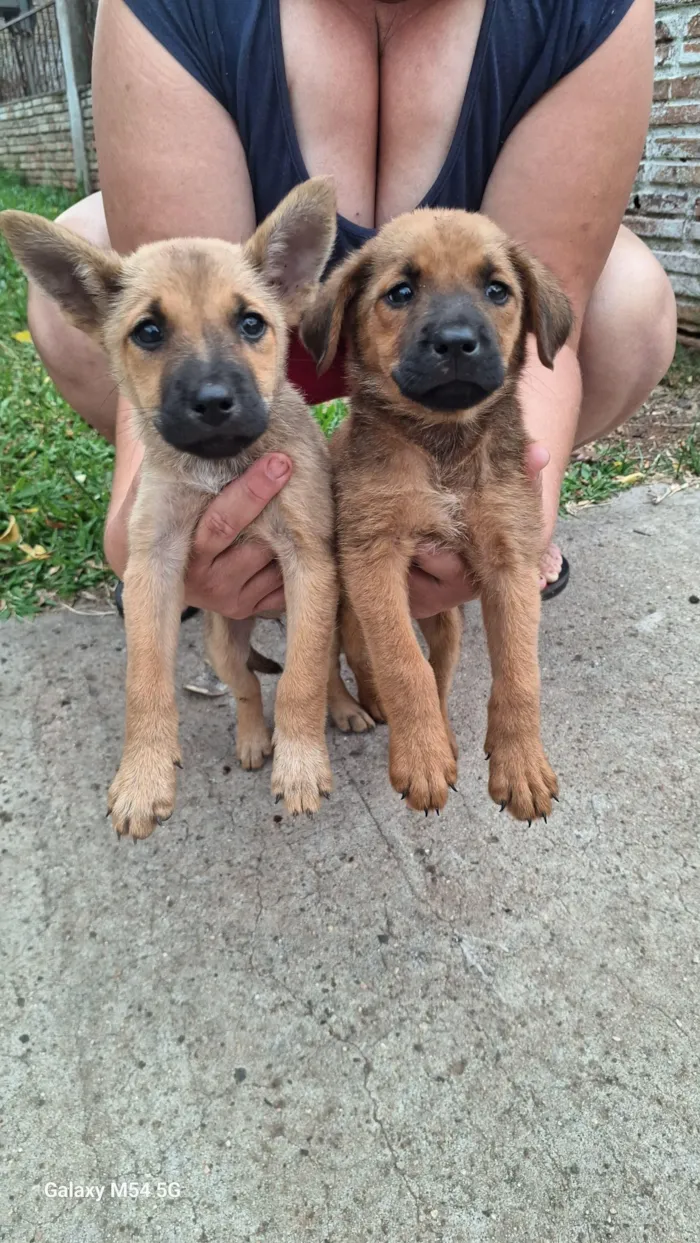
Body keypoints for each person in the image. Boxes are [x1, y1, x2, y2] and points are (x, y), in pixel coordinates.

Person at [27, 0, 673, 620]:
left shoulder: (584, 8)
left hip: (448, 363)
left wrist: (518, 515)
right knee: (86, 253)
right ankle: (221, 509)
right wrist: (143, 534)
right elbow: (179, 325)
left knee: (633, 301)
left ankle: (457, 495)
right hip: (264, 346)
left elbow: (542, 328)